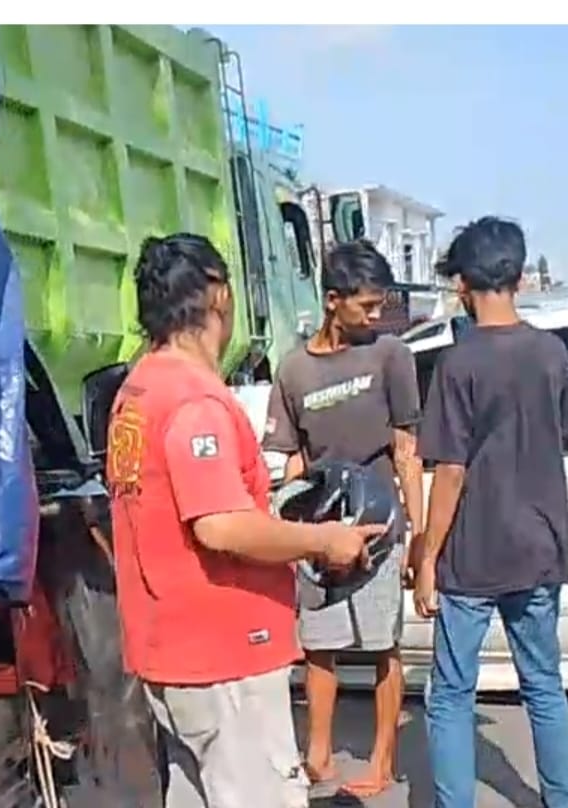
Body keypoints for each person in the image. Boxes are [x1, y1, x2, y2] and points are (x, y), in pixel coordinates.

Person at [105, 232, 385, 808]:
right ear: (219, 296)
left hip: (170, 653)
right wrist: (322, 539)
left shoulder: (138, 389)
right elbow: (220, 525)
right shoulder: (194, 401)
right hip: (222, 654)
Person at [411, 216, 568, 808]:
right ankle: (564, 802)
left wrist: (427, 558)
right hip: (540, 545)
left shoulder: (457, 363)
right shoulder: (552, 353)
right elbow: (562, 434)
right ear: (520, 275)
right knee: (544, 686)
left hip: (473, 555)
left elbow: (450, 471)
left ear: (462, 283)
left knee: (451, 695)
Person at [263, 239, 423, 800]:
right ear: (333, 300)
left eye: (380, 305)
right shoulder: (294, 370)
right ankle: (318, 753)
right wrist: (289, 534)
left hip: (379, 528)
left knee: (382, 646)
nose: (376, 316)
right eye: (366, 306)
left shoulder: (390, 356)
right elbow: (293, 462)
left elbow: (407, 450)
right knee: (319, 646)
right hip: (321, 531)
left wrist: (417, 537)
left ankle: (382, 760)